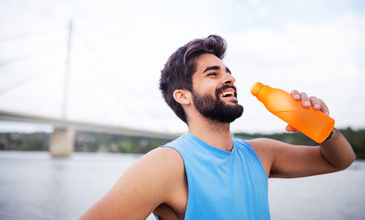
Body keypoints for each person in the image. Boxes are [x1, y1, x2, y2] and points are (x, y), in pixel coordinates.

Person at [80, 35, 356, 220]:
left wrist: (323, 127)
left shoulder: (261, 154)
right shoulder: (167, 164)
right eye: (213, 74)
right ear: (183, 96)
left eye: (227, 72)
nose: (229, 78)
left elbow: (340, 160)